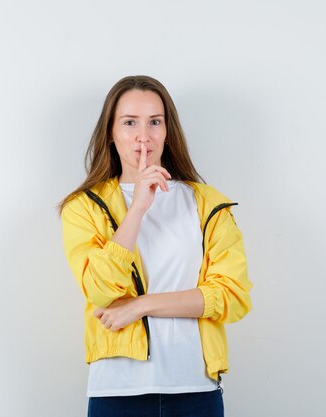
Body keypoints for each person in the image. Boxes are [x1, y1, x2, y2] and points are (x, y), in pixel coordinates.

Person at [58, 75, 253, 417]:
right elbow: (100, 289)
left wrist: (140, 306)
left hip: (196, 391)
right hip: (117, 391)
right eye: (130, 122)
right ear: (111, 132)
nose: (143, 135)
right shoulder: (84, 207)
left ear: (167, 131)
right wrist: (137, 210)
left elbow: (232, 297)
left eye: (155, 122)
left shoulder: (207, 204)